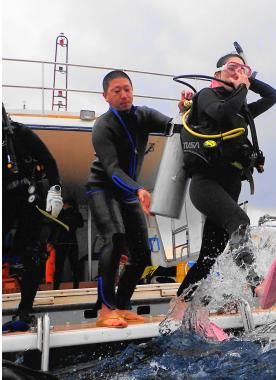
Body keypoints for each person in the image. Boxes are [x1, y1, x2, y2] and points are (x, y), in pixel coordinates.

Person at [172, 52, 276, 317]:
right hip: (206, 183)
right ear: (218, 71)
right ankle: (256, 284)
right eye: (232, 67)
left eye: (243, 68)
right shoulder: (206, 97)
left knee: (210, 253)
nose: (237, 71)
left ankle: (179, 305)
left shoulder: (242, 108)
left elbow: (273, 97)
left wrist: (249, 81)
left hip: (231, 184)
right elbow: (221, 111)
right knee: (239, 221)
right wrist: (242, 86)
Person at [86, 70, 172, 328]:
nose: (124, 95)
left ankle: (122, 305)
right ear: (105, 96)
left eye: (127, 89)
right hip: (102, 187)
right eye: (116, 91)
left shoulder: (143, 115)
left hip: (128, 191)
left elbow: (173, 126)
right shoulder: (102, 126)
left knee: (143, 254)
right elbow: (112, 169)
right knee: (114, 239)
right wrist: (138, 190)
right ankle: (105, 309)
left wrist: (186, 108)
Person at [2, 104, 63, 331]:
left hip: (27, 196)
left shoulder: (19, 133)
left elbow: (49, 160)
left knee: (33, 252)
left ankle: (25, 309)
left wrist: (55, 190)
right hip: (3, 199)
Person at [52, 198, 84, 289]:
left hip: (62, 242)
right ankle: (76, 287)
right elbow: (81, 224)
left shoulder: (61, 214)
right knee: (74, 266)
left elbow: (55, 227)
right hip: (72, 242)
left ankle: (56, 287)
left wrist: (50, 240)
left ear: (67, 204)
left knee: (59, 267)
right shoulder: (77, 214)